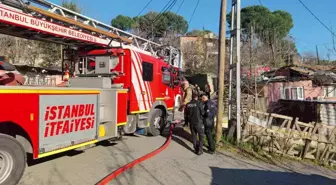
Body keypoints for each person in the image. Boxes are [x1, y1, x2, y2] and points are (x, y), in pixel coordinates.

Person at [184, 91, 205, 155]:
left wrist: (186, 122)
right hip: (198, 123)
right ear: (197, 97)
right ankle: (200, 149)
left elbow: (186, 114)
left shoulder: (188, 104)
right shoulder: (199, 103)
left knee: (194, 136)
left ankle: (195, 148)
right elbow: (203, 113)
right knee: (201, 136)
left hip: (191, 123)